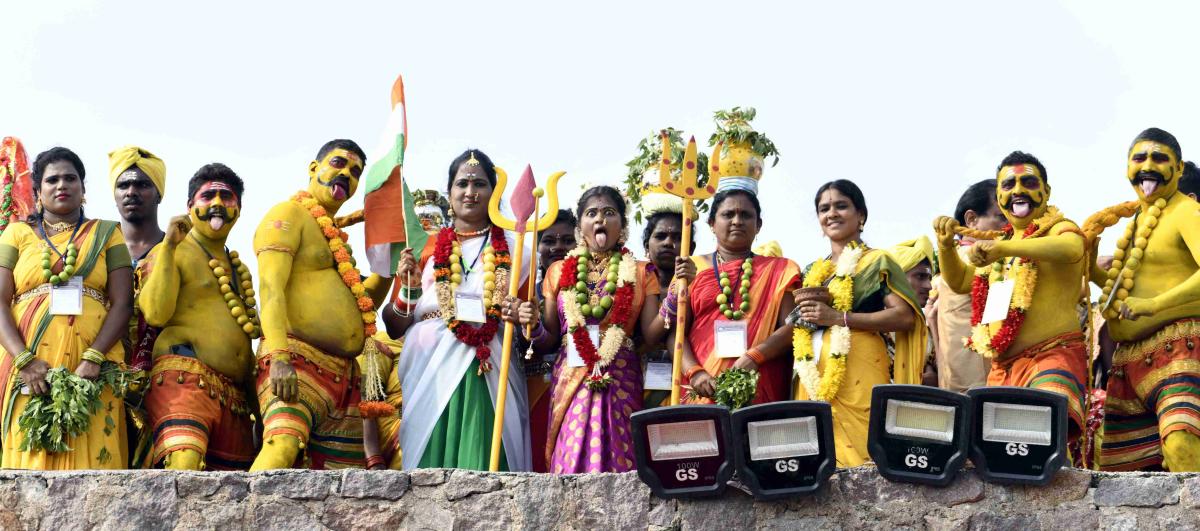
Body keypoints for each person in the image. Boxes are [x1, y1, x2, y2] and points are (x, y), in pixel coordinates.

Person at [934, 151, 1089, 462]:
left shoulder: (1057, 227)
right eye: (1008, 185)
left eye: (1028, 182)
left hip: (1052, 356)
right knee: (1004, 458)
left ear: (1046, 191)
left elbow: (1073, 248)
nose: (1018, 190)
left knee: (1044, 441)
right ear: (1001, 195)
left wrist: (1004, 247)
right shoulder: (998, 247)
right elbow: (961, 281)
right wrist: (945, 245)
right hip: (1003, 369)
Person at [383, 149, 533, 471]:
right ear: (449, 192)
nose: (470, 191)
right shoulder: (425, 247)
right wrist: (409, 287)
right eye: (462, 183)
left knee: (484, 449)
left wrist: (521, 314)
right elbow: (394, 326)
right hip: (430, 365)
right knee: (430, 455)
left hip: (490, 361)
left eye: (480, 184)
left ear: (494, 193)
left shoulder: (517, 248)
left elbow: (530, 326)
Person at [250, 139, 393, 470]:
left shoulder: (333, 237)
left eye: (355, 172)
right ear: (314, 168)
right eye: (338, 163)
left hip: (344, 375)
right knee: (282, 446)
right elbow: (270, 289)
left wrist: (389, 262)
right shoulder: (288, 213)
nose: (347, 174)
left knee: (342, 475)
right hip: (295, 360)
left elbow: (363, 305)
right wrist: (280, 359)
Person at [511, 185, 674, 473]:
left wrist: (674, 297)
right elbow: (549, 340)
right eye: (591, 213)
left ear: (622, 224)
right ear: (580, 226)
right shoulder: (558, 271)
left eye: (609, 212)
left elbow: (651, 335)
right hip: (571, 372)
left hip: (620, 375)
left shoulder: (641, 271)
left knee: (621, 454)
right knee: (571, 456)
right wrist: (533, 325)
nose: (600, 219)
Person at [0, 147, 133, 469]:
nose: (62, 185)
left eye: (70, 178)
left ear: (83, 187)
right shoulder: (17, 233)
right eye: (52, 180)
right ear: (38, 191)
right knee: (29, 456)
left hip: (94, 366)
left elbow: (124, 302)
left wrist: (94, 357)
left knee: (96, 457)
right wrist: (24, 360)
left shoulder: (108, 233)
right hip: (28, 364)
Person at [1087, 129, 1200, 471]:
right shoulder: (1138, 221)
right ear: (1127, 167)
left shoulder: (1186, 212)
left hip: (1180, 347)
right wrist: (1090, 268)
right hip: (1128, 362)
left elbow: (1147, 300)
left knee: (1182, 443)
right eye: (1139, 158)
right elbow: (1127, 292)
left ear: (1178, 169)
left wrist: (1155, 305)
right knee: (1130, 473)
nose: (1147, 166)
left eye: (1159, 158)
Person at [793, 179, 925, 467]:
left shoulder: (878, 260)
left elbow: (904, 316)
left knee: (865, 454)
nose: (832, 214)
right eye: (824, 209)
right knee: (819, 454)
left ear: (861, 215)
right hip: (813, 368)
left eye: (841, 206)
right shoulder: (813, 270)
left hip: (860, 367)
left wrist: (839, 318)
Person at [137, 163, 258, 470]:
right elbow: (154, 313)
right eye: (208, 196)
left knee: (232, 490)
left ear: (238, 210)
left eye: (226, 197)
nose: (217, 203)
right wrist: (168, 246)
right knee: (184, 464)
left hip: (235, 399)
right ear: (190, 206)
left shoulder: (238, 266)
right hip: (184, 380)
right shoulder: (173, 249)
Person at [928, 180, 1007, 392]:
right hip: (982, 384)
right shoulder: (979, 261)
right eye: (1002, 217)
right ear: (971, 220)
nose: (1010, 226)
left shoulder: (952, 262)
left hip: (955, 383)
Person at [525, 208, 575, 472]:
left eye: (567, 240)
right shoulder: (524, 290)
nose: (558, 247)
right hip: (531, 389)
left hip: (574, 386)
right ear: (537, 247)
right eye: (549, 240)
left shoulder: (592, 289)